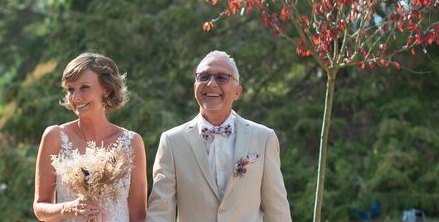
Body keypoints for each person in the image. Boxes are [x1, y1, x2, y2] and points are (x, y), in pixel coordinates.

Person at [147, 50, 292, 221]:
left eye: (222, 77)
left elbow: (277, 209)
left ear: (237, 91)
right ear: (195, 87)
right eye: (203, 77)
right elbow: (161, 212)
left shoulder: (263, 138)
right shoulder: (172, 141)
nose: (211, 83)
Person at [33, 52, 148, 222]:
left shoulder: (132, 142)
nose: (76, 97)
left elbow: (138, 215)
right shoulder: (54, 137)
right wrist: (68, 208)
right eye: (71, 89)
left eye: (84, 87)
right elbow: (40, 207)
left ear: (107, 90)